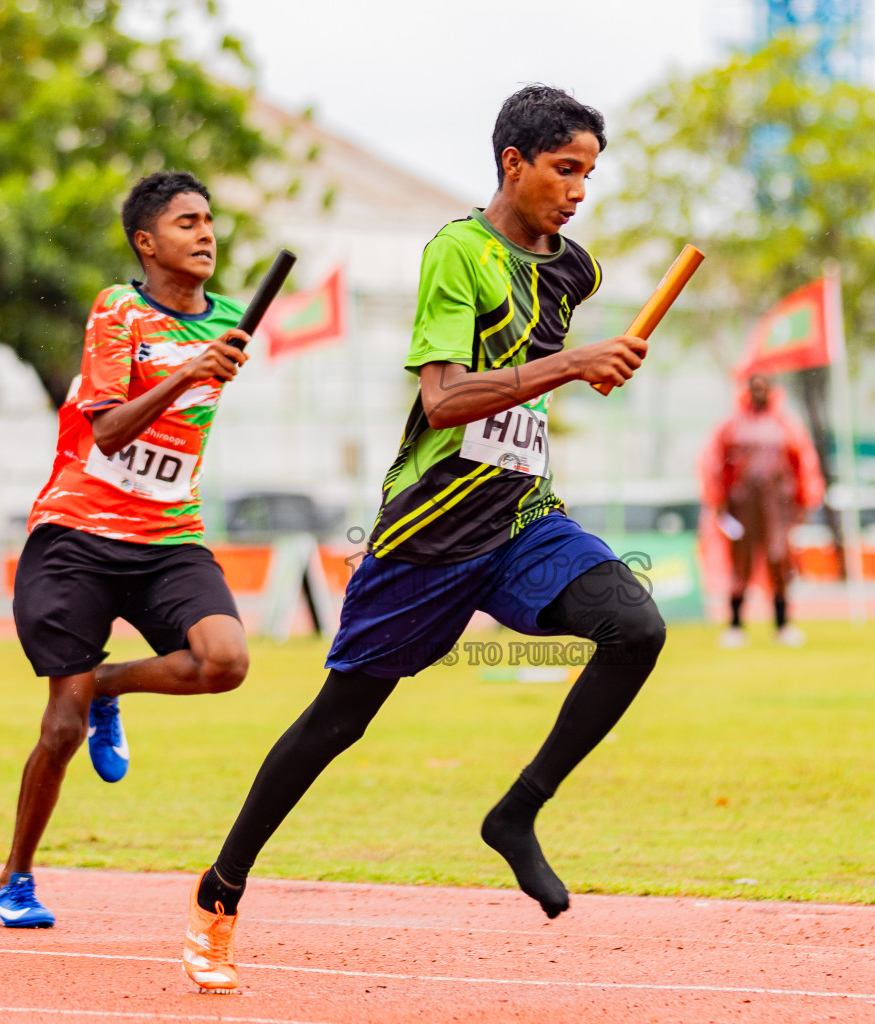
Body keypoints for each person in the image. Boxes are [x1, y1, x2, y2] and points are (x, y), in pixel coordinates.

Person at [179, 86, 666, 994]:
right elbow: (443, 399)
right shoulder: (457, 253)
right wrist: (571, 363)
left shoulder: (575, 269)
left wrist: (592, 366)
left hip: (522, 516)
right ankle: (220, 889)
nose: (579, 191)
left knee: (636, 628)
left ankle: (516, 813)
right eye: (565, 169)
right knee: (338, 722)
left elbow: (543, 374)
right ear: (512, 164)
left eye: (590, 174)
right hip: (431, 528)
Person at [0, 171, 252, 929]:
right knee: (61, 729)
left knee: (226, 662)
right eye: (185, 223)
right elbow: (108, 431)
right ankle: (17, 876)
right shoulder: (119, 310)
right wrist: (187, 372)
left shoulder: (233, 318)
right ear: (146, 242)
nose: (205, 234)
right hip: (78, 536)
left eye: (209, 221)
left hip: (169, 536)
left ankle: (108, 685)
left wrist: (208, 361)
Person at [699, 373, 824, 648]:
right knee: (739, 564)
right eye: (753, 388)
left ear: (771, 391)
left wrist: (805, 501)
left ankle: (783, 626)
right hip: (742, 506)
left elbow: (804, 463)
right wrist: (718, 501)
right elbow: (713, 464)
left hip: (778, 506)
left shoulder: (786, 425)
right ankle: (735, 626)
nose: (758, 393)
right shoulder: (731, 425)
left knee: (779, 560)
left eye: (763, 388)